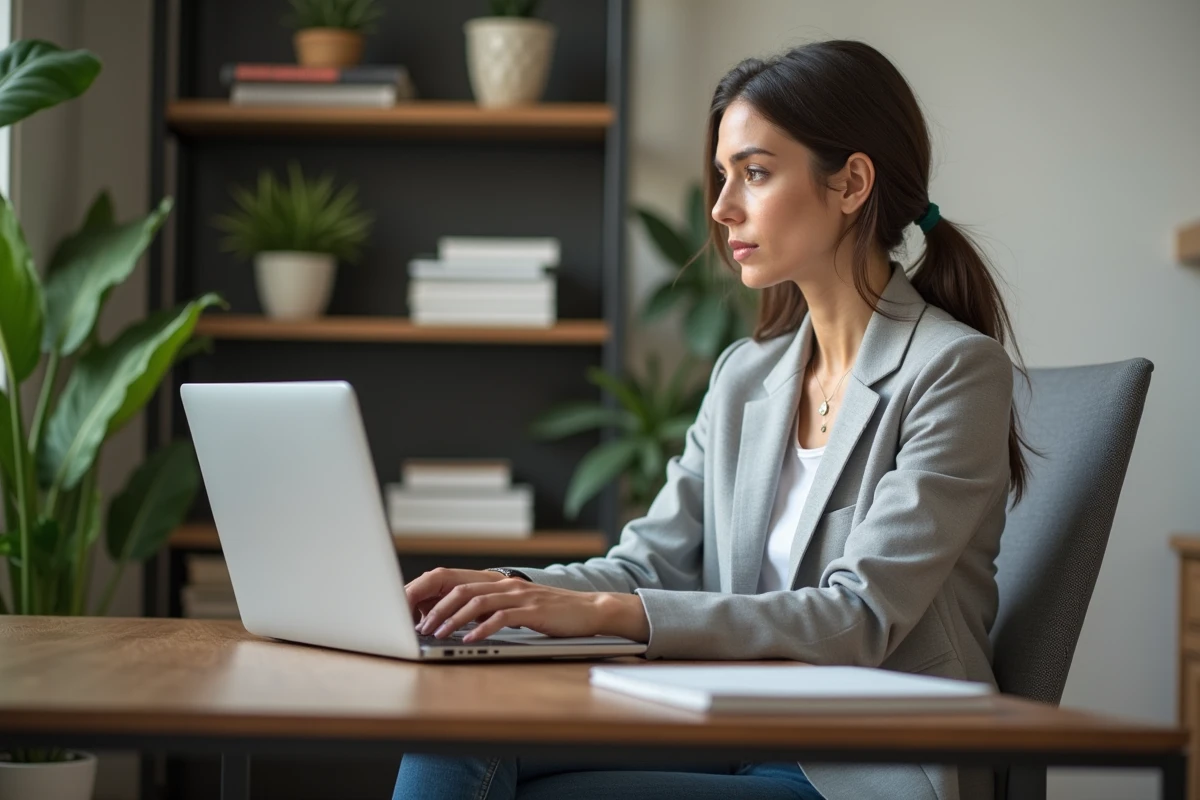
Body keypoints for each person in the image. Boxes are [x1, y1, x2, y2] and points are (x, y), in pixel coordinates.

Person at [393, 39, 1031, 800]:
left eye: (755, 173)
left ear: (852, 182)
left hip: (858, 762)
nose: (723, 207)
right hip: (729, 727)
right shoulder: (746, 375)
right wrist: (505, 593)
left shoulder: (953, 372)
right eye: (725, 175)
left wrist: (600, 611)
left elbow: (858, 618)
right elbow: (646, 567)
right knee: (454, 742)